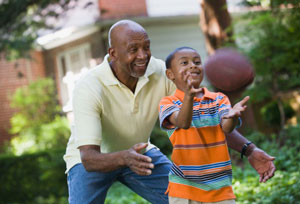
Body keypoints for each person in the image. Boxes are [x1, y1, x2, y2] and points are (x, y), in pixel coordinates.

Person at [63, 20, 275, 204]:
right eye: (133, 49)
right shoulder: (90, 87)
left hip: (140, 153)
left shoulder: (160, 73)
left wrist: (250, 150)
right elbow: (89, 158)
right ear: (113, 53)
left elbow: (205, 116)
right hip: (92, 161)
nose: (143, 55)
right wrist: (123, 158)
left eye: (147, 47)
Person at [159, 46, 250, 203]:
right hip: (184, 188)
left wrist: (233, 116)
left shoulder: (218, 99)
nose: (192, 65)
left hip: (220, 188)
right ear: (170, 74)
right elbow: (182, 122)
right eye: (184, 63)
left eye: (197, 62)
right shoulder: (168, 102)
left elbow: (226, 127)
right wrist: (188, 96)